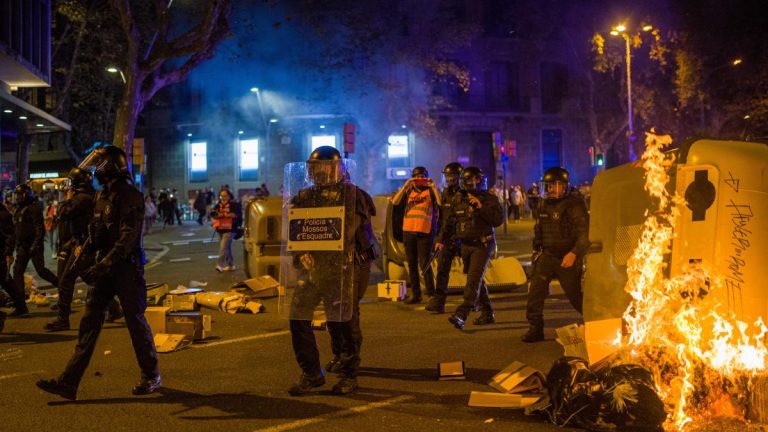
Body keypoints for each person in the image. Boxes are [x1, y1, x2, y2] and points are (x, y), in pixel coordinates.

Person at [36, 145, 160, 400]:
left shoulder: (130, 196)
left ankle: (151, 375)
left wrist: (102, 264)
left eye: (99, 164)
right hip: (104, 269)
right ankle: (68, 383)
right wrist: (82, 262)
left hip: (126, 270)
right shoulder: (100, 196)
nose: (94, 170)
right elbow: (95, 234)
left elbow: (127, 240)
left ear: (110, 167)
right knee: (88, 326)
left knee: (135, 323)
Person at [286, 146, 375, 396]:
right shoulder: (306, 197)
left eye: (322, 166)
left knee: (344, 319)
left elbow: (345, 233)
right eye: (313, 167)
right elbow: (297, 230)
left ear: (337, 168)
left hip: (349, 266)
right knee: (298, 316)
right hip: (315, 268)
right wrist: (300, 253)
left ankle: (349, 374)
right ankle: (312, 373)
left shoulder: (354, 196)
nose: (316, 172)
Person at [522, 166, 589, 343]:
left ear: (564, 186)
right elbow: (540, 229)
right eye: (548, 186)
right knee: (535, 294)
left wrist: (575, 253)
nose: (550, 189)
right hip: (547, 256)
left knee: (576, 297)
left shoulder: (574, 204)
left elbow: (584, 234)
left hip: (566, 257)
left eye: (553, 186)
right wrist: (536, 250)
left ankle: (597, 323)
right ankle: (535, 329)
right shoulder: (544, 203)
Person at [444, 167, 503, 330]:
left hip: (483, 243)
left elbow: (498, 220)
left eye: (476, 179)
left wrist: (480, 207)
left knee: (473, 280)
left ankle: (462, 314)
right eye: (469, 180)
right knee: (476, 279)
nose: (473, 183)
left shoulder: (489, 199)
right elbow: (450, 221)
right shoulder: (458, 199)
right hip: (466, 244)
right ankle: (488, 313)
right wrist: (444, 239)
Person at [44, 168, 97, 332]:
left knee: (67, 279)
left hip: (83, 243)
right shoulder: (84, 197)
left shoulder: (82, 198)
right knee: (88, 276)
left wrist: (66, 198)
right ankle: (114, 307)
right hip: (75, 242)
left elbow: (63, 213)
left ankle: (63, 319)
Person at [6, 184, 59, 317]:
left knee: (41, 271)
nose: (17, 197)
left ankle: (63, 289)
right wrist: (13, 248)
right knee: (17, 272)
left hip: (33, 245)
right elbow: (16, 230)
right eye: (16, 195)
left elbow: (39, 228)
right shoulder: (19, 209)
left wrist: (35, 245)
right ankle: (21, 306)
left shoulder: (33, 208)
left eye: (19, 195)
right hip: (23, 246)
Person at [390, 166, 441, 304]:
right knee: (412, 264)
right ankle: (416, 294)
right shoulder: (408, 191)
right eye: (417, 176)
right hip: (408, 231)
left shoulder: (430, 191)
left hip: (425, 232)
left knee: (425, 263)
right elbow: (395, 202)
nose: (420, 179)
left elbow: (440, 203)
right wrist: (407, 184)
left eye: (423, 176)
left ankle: (431, 293)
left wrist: (434, 186)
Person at [429, 162, 464, 314]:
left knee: (473, 273)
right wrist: (439, 239)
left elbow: (455, 219)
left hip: (463, 237)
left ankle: (479, 302)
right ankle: (439, 302)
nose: (449, 179)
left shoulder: (465, 193)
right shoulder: (446, 193)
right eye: (447, 176)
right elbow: (443, 218)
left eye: (452, 176)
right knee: (442, 270)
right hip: (448, 238)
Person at [211, 188, 242, 272]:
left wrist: (226, 215)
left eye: (224, 196)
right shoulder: (218, 204)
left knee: (223, 247)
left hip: (230, 229)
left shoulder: (234, 204)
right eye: (221, 196)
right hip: (220, 229)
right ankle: (231, 265)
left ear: (228, 196)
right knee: (227, 248)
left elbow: (236, 214)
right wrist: (215, 215)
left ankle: (220, 265)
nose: (223, 197)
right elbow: (213, 214)